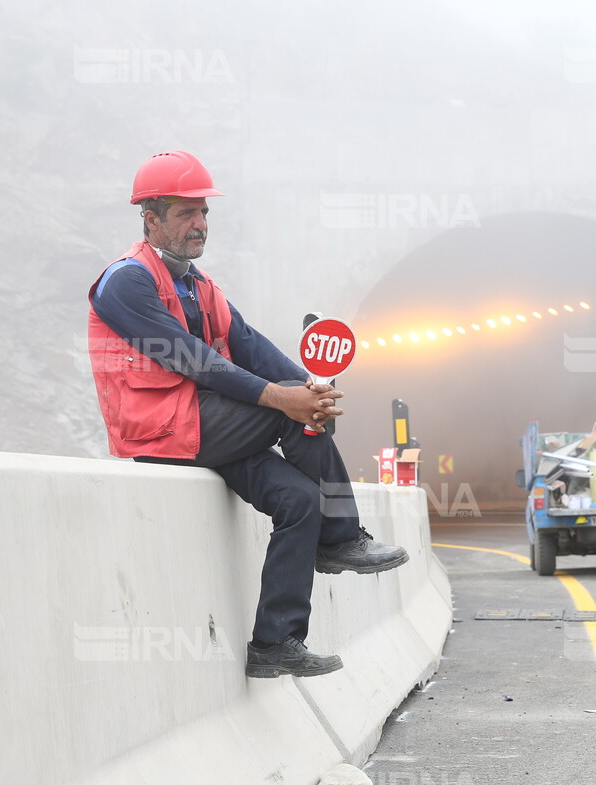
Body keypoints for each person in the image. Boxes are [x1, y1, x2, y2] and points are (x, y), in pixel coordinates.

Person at [86, 150, 408, 679]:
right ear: (150, 218)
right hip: (160, 434)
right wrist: (288, 401)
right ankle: (341, 536)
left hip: (201, 429)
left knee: (299, 498)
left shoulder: (199, 285)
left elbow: (249, 345)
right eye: (186, 213)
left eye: (204, 212)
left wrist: (312, 391)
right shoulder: (127, 282)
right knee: (289, 412)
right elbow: (196, 361)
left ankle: (274, 644)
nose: (200, 223)